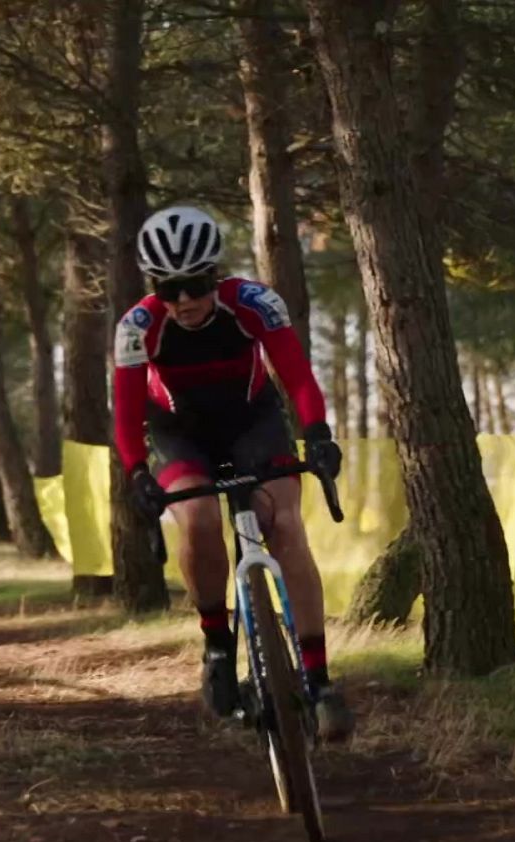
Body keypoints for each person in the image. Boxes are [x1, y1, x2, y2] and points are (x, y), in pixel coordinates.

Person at [112, 205, 354, 742]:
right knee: (196, 518)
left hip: (253, 422)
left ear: (215, 276)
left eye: (195, 285)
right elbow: (127, 419)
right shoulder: (138, 327)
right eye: (169, 288)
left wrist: (316, 433)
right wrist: (136, 473)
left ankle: (318, 679)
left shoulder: (254, 304)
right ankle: (218, 643)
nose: (184, 301)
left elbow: (298, 379)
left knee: (283, 522)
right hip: (180, 433)